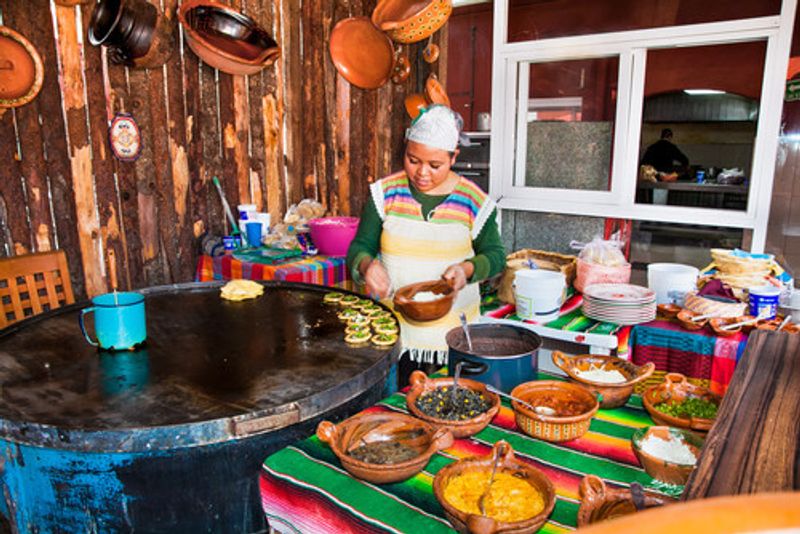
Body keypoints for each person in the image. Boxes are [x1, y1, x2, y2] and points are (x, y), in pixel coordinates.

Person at [346, 105, 506, 389]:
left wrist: (467, 269)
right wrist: (366, 265)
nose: (422, 173)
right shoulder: (384, 194)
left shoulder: (474, 201)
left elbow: (495, 257)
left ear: (454, 156)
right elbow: (361, 245)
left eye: (435, 165)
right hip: (394, 333)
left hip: (452, 339)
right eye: (412, 160)